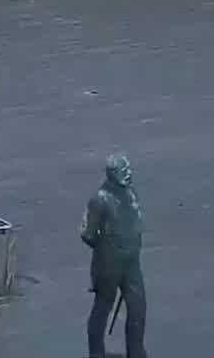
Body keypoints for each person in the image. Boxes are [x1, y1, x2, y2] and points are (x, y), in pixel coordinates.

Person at [81, 153, 146, 358]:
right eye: (124, 171)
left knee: (138, 308)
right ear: (112, 174)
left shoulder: (130, 193)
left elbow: (136, 221)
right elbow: (87, 234)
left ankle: (136, 352)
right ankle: (96, 354)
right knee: (102, 309)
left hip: (131, 262)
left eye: (129, 170)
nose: (129, 174)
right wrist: (107, 248)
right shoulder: (99, 200)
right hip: (108, 264)